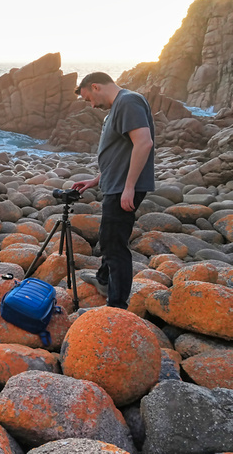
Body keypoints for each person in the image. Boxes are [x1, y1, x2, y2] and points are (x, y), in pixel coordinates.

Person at [71, 72, 155, 309]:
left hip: (124, 188)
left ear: (95, 86)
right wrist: (96, 179)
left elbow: (144, 142)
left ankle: (116, 306)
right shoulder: (119, 106)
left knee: (114, 245)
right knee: (109, 239)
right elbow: (121, 152)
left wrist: (129, 187)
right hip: (116, 184)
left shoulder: (128, 101)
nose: (92, 105)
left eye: (89, 98)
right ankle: (104, 280)